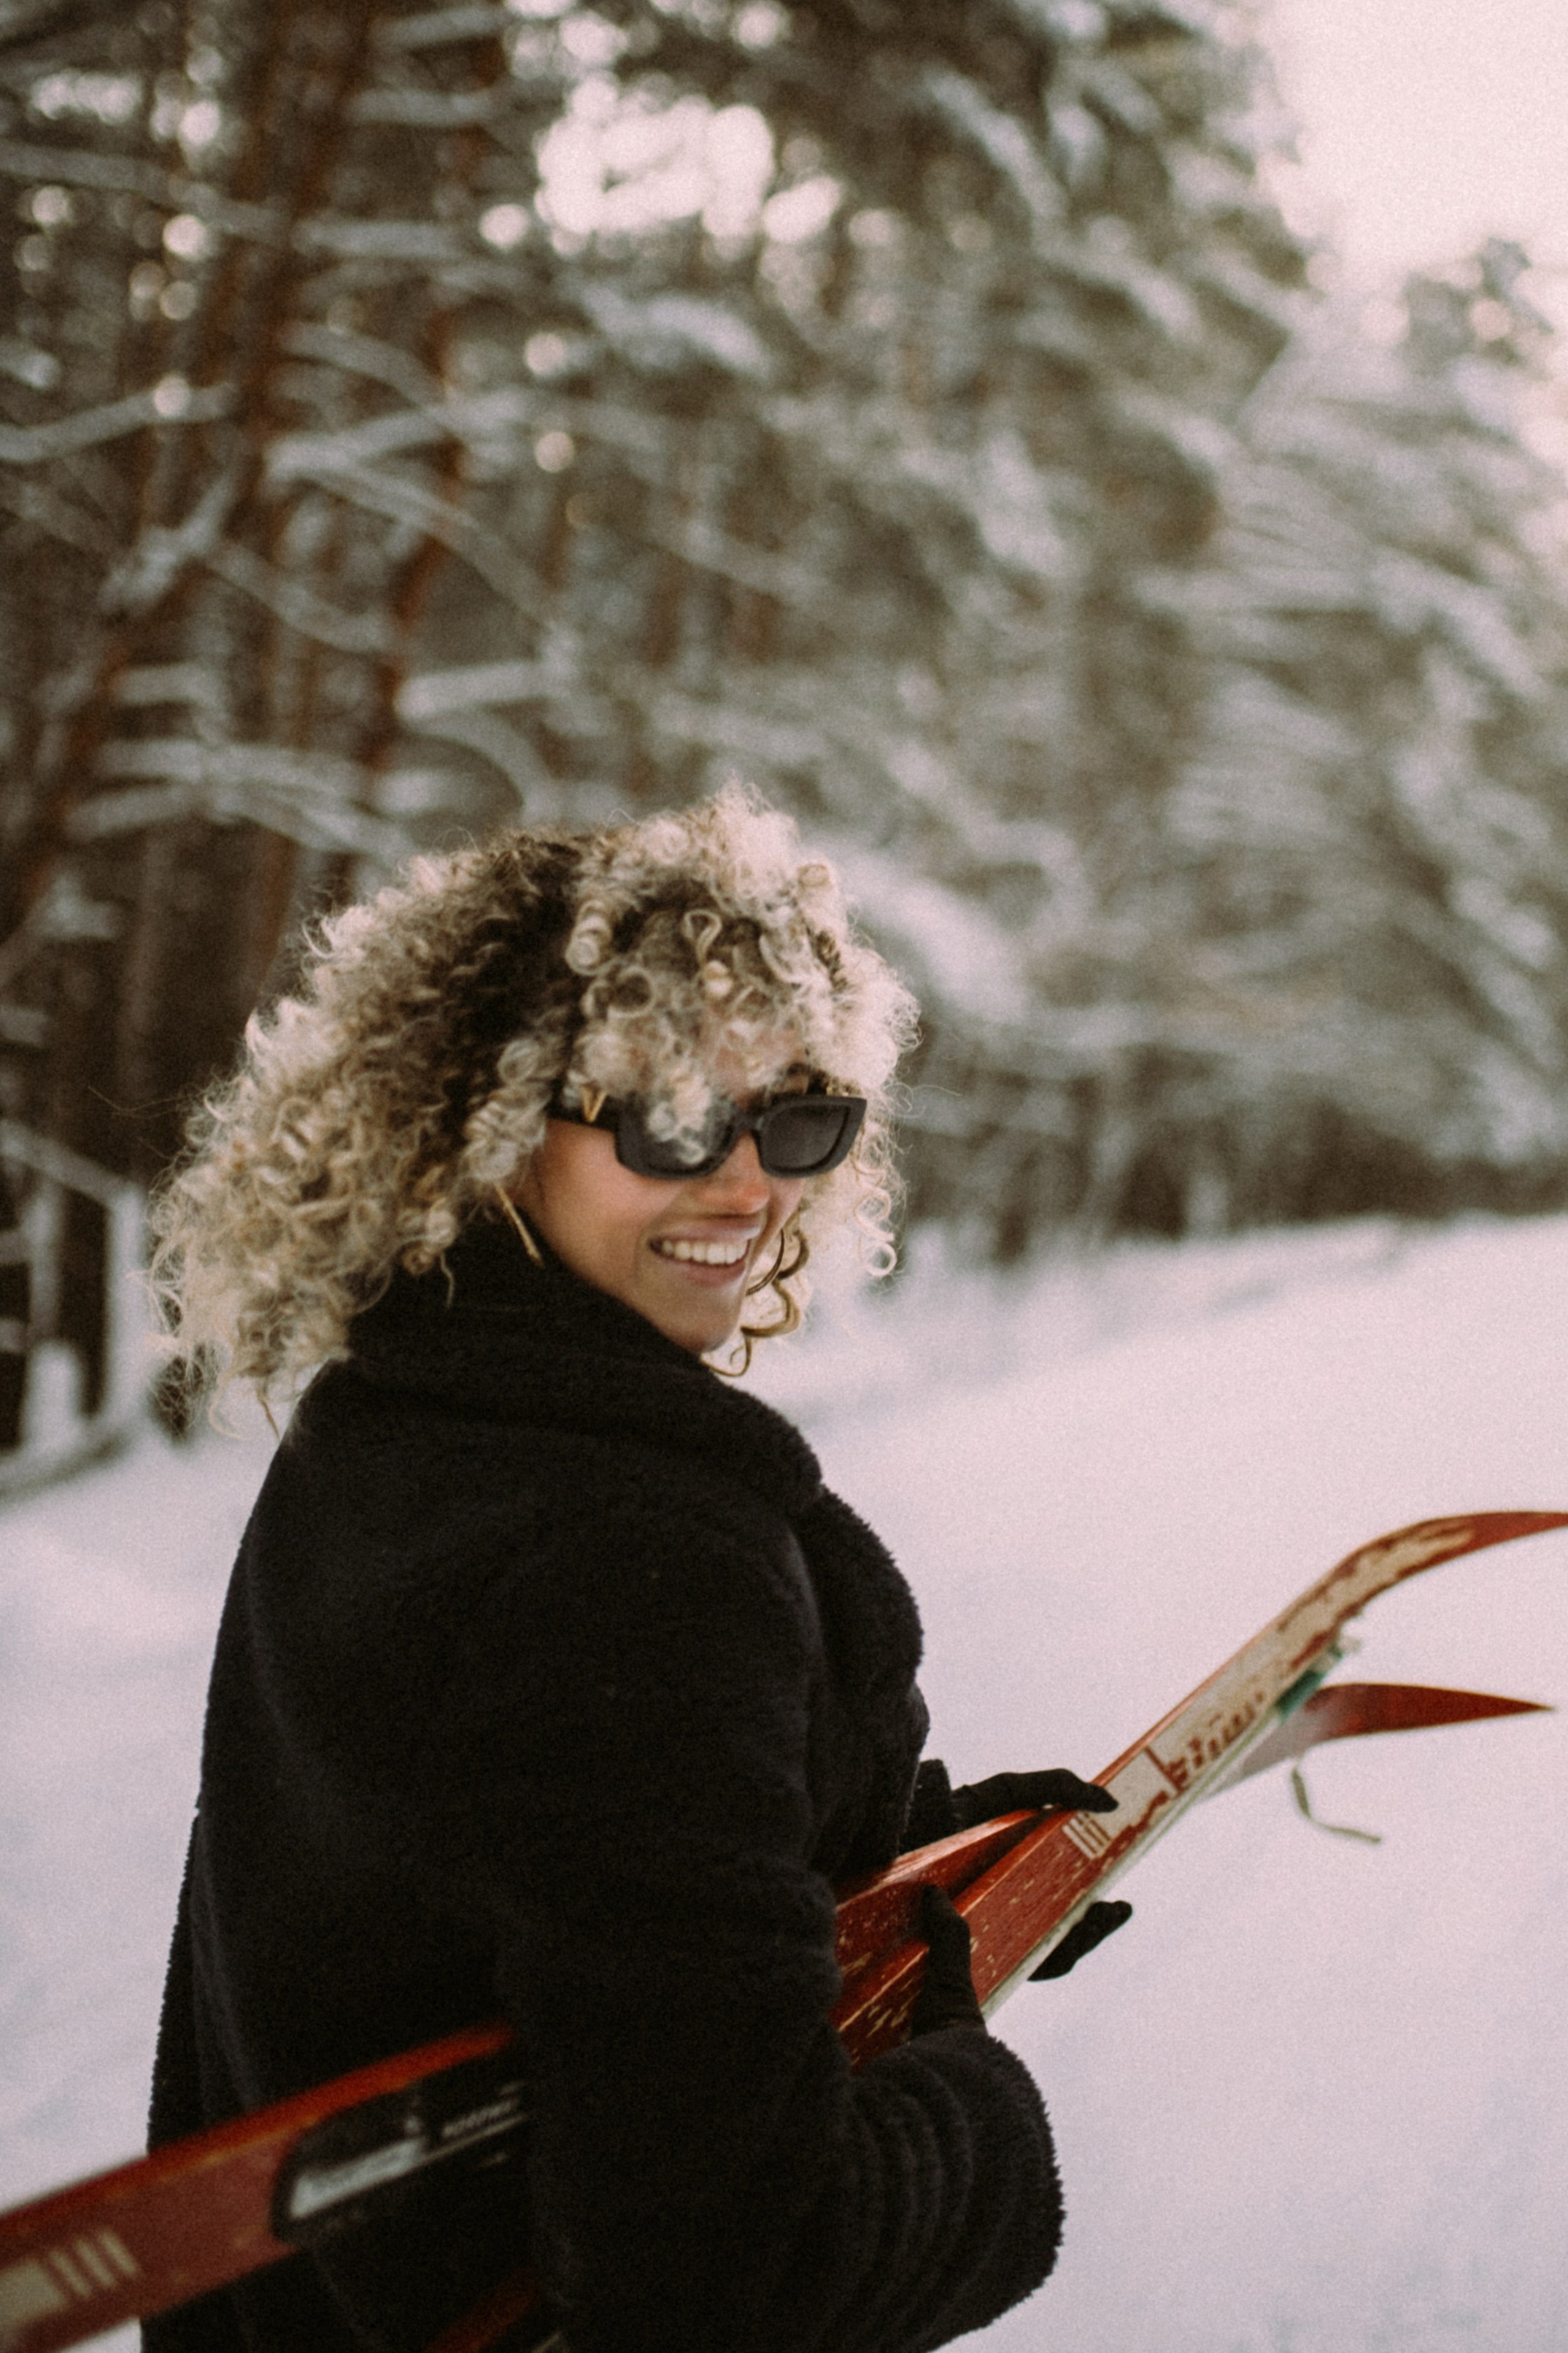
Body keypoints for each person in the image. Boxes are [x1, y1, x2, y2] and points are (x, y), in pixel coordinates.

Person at [144, 785, 1112, 2353]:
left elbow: (485, 1871)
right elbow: (729, 2276)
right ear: (500, 1122)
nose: (744, 1187)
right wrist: (981, 2129)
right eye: (665, 1120)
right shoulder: (630, 1555)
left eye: (799, 1118)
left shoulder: (391, 1427)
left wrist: (890, 1870)